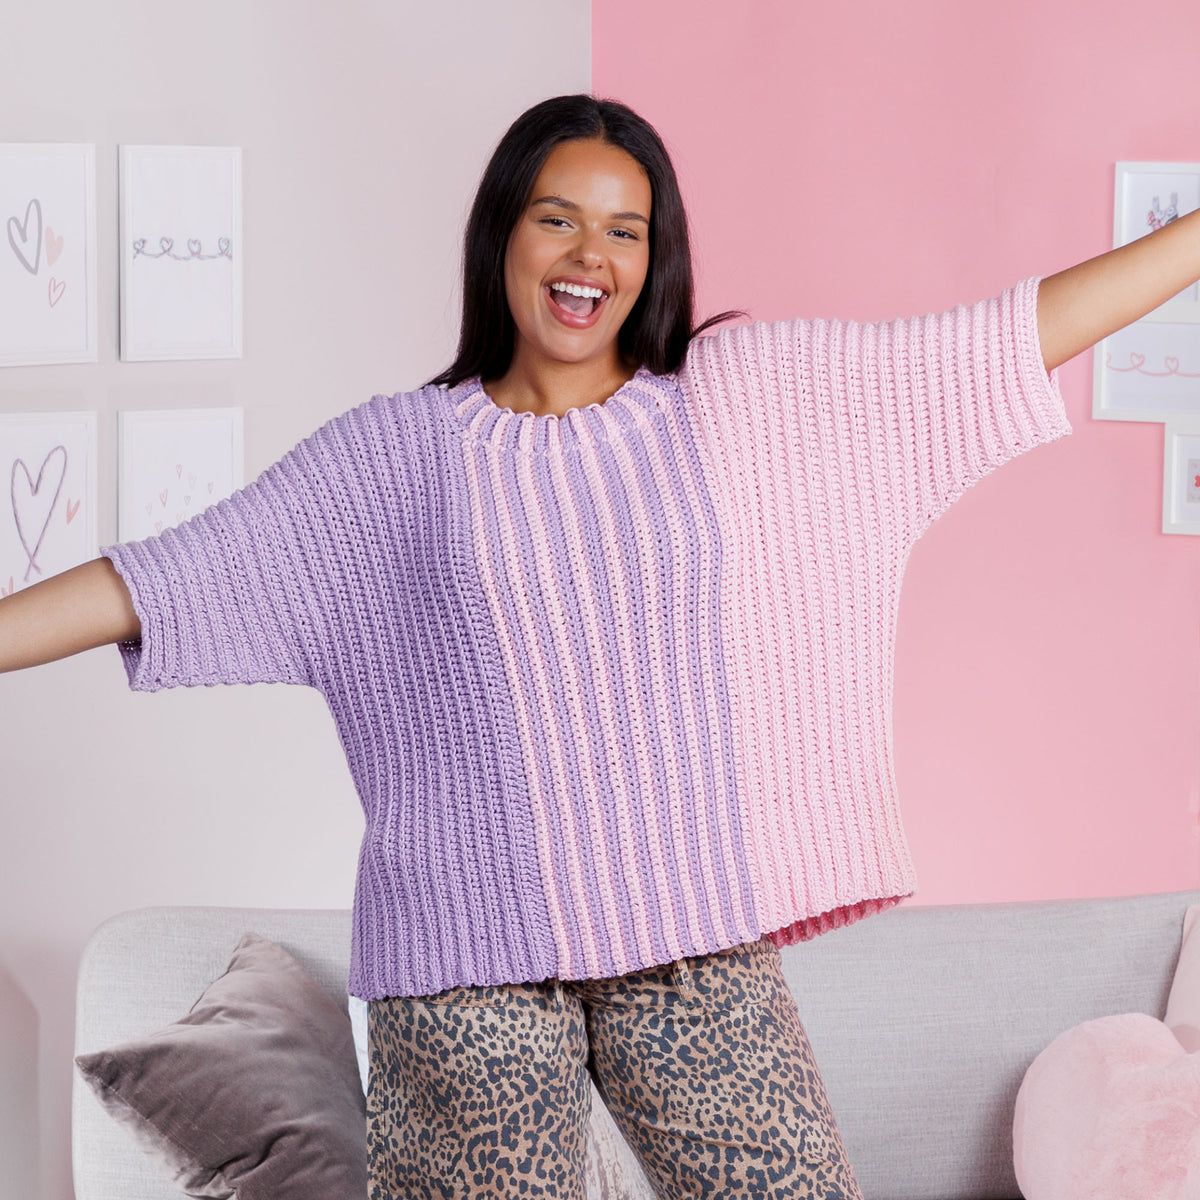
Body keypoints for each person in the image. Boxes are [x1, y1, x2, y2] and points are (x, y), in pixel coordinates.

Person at [3, 92, 1199, 1199]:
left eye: (625, 230)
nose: (591, 256)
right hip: (464, 964)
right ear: (502, 237)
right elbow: (153, 583)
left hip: (691, 937)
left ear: (653, 257)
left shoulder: (736, 404)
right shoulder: (393, 461)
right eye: (558, 219)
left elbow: (999, 344)